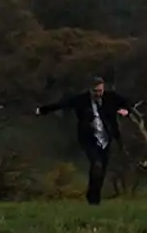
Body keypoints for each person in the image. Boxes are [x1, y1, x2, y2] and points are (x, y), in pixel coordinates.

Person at [36, 76, 131, 205]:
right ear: (90, 90)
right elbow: (62, 104)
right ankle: (93, 200)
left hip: (106, 138)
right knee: (96, 164)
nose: (98, 94)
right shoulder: (81, 100)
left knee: (101, 169)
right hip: (88, 138)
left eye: (100, 90)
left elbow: (128, 102)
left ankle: (94, 197)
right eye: (95, 91)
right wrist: (43, 110)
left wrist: (126, 111)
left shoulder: (111, 98)